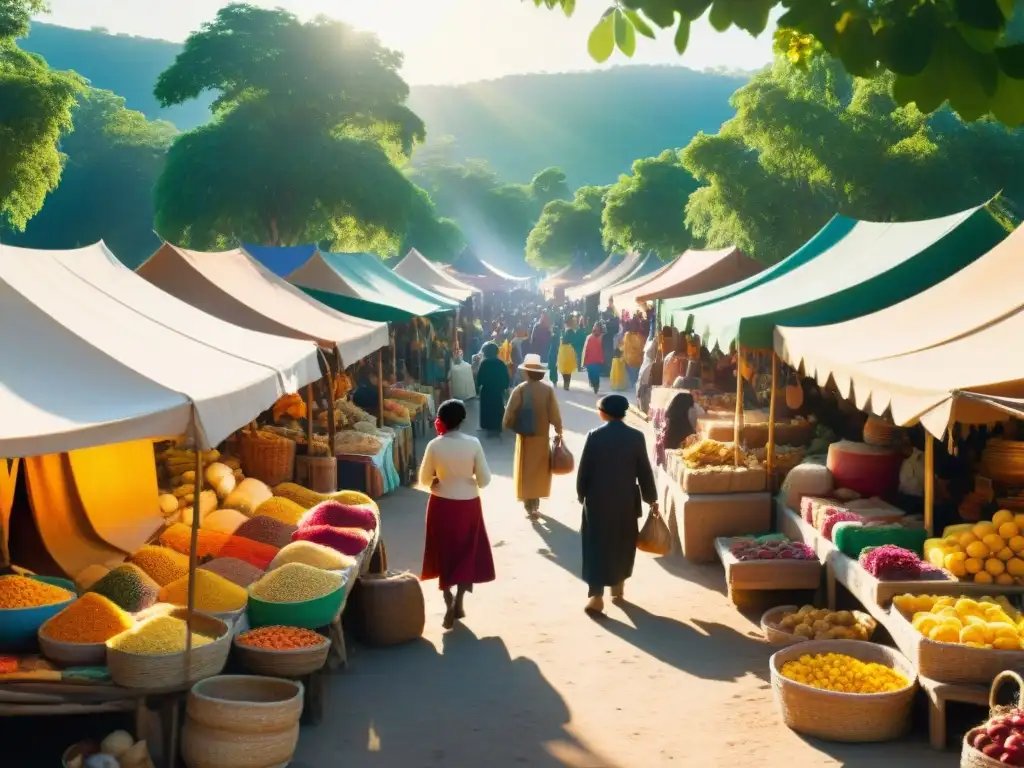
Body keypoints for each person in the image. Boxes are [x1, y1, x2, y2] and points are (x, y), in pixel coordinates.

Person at [576, 394, 658, 614]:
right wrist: (652, 498)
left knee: (596, 545)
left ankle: (595, 596)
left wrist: (582, 495)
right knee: (622, 542)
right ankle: (618, 585)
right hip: (625, 501)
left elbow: (584, 471)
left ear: (604, 413)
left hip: (597, 501)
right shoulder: (636, 437)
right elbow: (644, 472)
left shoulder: (594, 436)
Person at [419, 399, 495, 629]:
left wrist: (439, 480)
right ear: (462, 420)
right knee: (466, 552)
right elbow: (485, 479)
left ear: (441, 420)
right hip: (468, 504)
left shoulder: (434, 445)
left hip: (441, 504)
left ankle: (448, 600)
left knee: (444, 553)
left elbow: (424, 479)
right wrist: (468, 478)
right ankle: (460, 601)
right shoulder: (473, 444)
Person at [502, 353, 564, 519]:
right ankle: (535, 501)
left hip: (525, 437)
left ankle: (528, 502)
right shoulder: (547, 390)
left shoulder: (520, 389)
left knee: (525, 469)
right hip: (542, 436)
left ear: (526, 372)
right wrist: (558, 429)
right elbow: (555, 414)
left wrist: (507, 425)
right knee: (539, 470)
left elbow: (509, 413)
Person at [476, 341, 510, 436]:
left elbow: (479, 378)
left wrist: (478, 387)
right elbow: (506, 378)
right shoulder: (501, 363)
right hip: (498, 391)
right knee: (498, 406)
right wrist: (505, 387)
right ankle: (498, 425)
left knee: (486, 408)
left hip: (486, 390)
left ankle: (487, 425)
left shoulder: (484, 363)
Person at [582, 323, 605, 394]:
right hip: (589, 360)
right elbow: (585, 349)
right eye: (594, 329)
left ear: (600, 330)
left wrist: (603, 359)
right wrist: (584, 361)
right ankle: (593, 383)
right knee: (591, 374)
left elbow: (603, 349)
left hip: (597, 360)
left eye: (597, 329)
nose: (595, 330)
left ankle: (596, 387)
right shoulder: (589, 337)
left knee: (596, 375)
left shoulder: (602, 338)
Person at [622, 319, 645, 387]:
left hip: (632, 361)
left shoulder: (629, 335)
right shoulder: (633, 335)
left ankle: (634, 386)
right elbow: (640, 347)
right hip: (633, 360)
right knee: (634, 378)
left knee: (633, 378)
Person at [556, 320, 578, 391]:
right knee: (565, 368)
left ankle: (566, 384)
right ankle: (566, 383)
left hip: (568, 352)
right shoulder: (564, 332)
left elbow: (574, 341)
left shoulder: (570, 332)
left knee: (566, 369)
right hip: (563, 352)